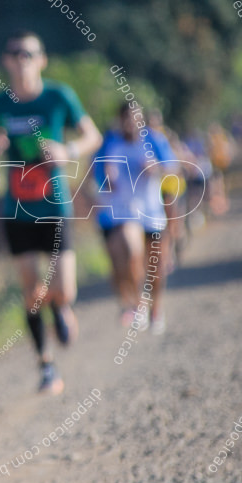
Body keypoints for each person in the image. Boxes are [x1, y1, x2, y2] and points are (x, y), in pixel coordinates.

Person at [0, 30, 101, 394]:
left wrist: (67, 151)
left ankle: (62, 308)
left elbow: (92, 135)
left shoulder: (58, 96)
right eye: (15, 53)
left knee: (62, 289)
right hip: (16, 209)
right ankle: (46, 366)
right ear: (5, 60)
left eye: (29, 53)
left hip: (55, 206)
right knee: (32, 290)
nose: (22, 60)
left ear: (42, 60)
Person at [92, 104, 177, 335]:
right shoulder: (110, 142)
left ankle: (156, 310)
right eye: (127, 120)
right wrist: (106, 179)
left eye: (135, 119)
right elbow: (96, 176)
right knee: (130, 252)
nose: (131, 124)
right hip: (124, 213)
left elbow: (173, 168)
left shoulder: (154, 140)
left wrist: (156, 168)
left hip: (153, 212)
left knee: (156, 268)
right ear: (120, 121)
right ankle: (137, 304)